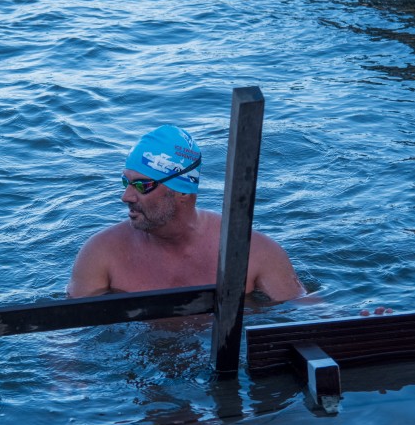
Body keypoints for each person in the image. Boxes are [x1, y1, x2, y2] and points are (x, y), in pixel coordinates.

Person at [66, 124, 306, 301]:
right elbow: (65, 338)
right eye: (125, 182)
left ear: (182, 191)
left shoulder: (254, 252)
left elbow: (310, 317)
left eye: (142, 185)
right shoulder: (100, 253)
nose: (126, 196)